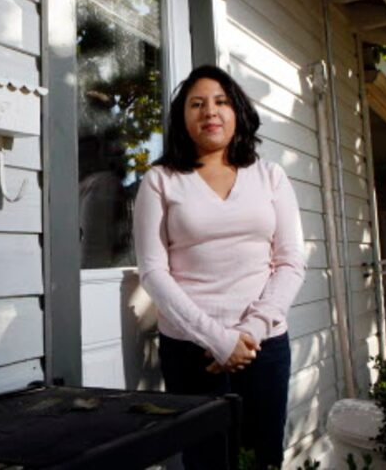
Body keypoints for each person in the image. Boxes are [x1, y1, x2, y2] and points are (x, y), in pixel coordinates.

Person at [132, 65, 305, 469]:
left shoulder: (270, 176)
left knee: (261, 458)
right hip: (191, 350)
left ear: (237, 112)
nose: (210, 111)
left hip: (263, 346)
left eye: (220, 102)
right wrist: (217, 339)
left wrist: (250, 333)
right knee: (206, 461)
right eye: (197, 104)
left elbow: (291, 261)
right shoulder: (160, 180)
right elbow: (154, 273)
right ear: (182, 117)